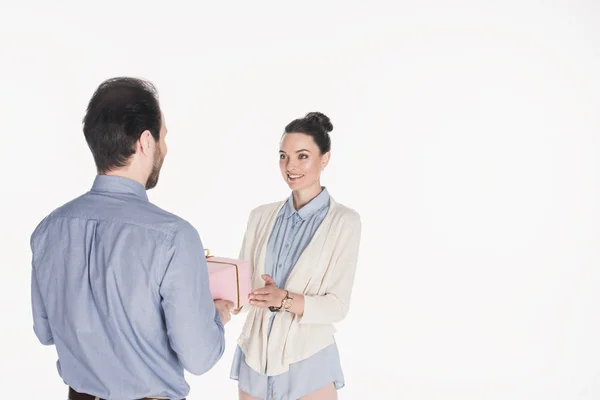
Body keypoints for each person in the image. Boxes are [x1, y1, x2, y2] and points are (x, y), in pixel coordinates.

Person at [30, 77, 233, 400]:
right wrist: (216, 316)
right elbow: (199, 356)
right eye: (163, 137)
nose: (165, 148)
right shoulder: (174, 238)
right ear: (145, 141)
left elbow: (45, 332)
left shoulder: (48, 230)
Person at [230, 112, 362, 400]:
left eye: (302, 156)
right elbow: (240, 292)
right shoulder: (260, 216)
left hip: (308, 362)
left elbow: (337, 306)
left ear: (324, 158)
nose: (290, 166)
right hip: (255, 358)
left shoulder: (344, 222)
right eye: (283, 156)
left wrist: (284, 300)